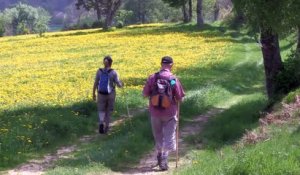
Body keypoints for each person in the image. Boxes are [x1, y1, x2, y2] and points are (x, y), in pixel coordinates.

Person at [143, 56, 185, 171]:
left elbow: (145, 94)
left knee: (158, 136)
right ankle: (164, 159)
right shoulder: (173, 79)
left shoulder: (152, 77)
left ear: (161, 64)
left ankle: (159, 156)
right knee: (169, 136)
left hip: (155, 112)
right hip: (170, 113)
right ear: (171, 65)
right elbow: (180, 97)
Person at [93, 56, 123, 134]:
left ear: (104, 63)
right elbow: (118, 84)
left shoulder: (99, 71)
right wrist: (121, 84)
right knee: (109, 110)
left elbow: (96, 83)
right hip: (111, 94)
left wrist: (93, 93)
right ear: (111, 63)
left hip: (100, 93)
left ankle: (101, 122)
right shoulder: (113, 72)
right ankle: (106, 127)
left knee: (101, 109)